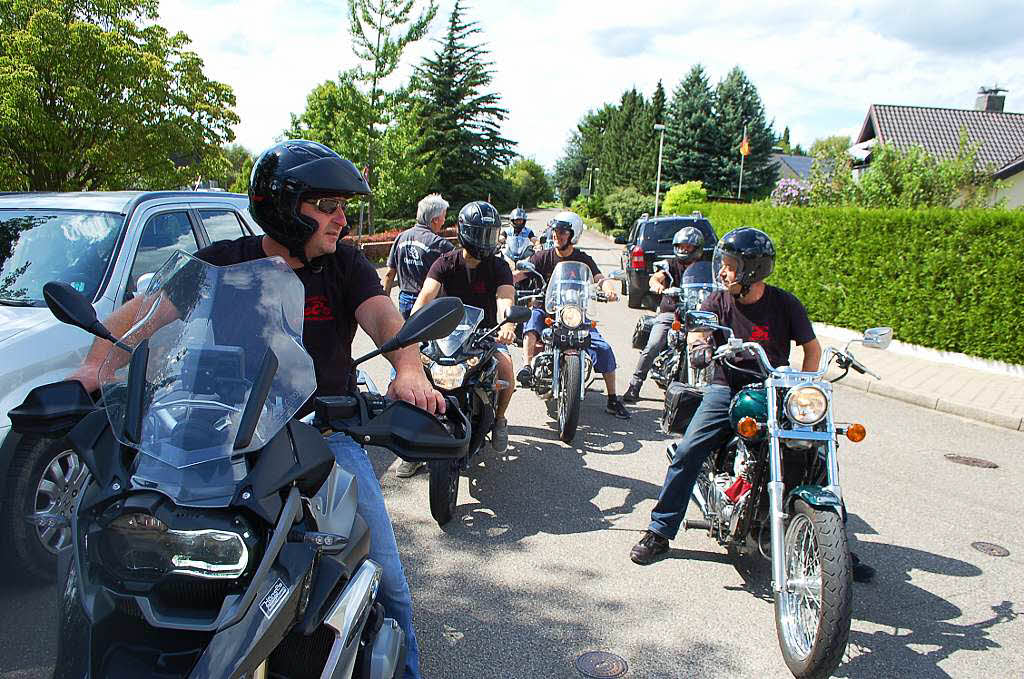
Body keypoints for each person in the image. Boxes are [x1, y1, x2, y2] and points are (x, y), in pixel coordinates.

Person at [69, 140, 437, 679]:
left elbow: (384, 317)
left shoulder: (344, 264)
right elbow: (143, 315)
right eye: (328, 205)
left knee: (386, 579)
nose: (341, 218)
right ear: (287, 207)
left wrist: (409, 369)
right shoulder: (222, 261)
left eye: (342, 206)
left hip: (321, 434)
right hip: (221, 440)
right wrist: (97, 368)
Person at [628, 227, 874, 582]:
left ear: (750, 271)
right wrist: (700, 348)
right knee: (689, 450)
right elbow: (699, 333)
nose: (722, 272)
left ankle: (835, 547)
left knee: (816, 454)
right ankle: (660, 531)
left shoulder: (785, 303)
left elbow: (812, 349)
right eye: (723, 264)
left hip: (776, 388)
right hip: (726, 385)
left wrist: (806, 384)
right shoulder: (717, 302)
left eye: (729, 266)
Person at [408, 200, 517, 472]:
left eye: (490, 234)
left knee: (507, 370)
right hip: (444, 336)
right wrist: (412, 326)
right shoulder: (445, 263)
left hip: (486, 336)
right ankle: (410, 447)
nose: (485, 240)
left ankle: (500, 419)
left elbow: (505, 298)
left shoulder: (499, 266)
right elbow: (425, 296)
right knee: (417, 380)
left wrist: (507, 324)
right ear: (464, 231)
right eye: (481, 233)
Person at [515, 210, 631, 419]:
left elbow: (598, 277)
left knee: (603, 348)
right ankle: (527, 367)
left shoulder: (582, 258)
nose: (556, 235)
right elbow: (522, 273)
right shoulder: (543, 256)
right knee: (532, 319)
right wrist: (507, 280)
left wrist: (608, 287)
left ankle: (613, 399)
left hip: (575, 313)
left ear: (573, 235)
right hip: (547, 309)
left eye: (562, 232)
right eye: (555, 231)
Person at [622, 226, 704, 403]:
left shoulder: (704, 268)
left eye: (688, 247)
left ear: (697, 249)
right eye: (681, 246)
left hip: (696, 316)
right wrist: (657, 284)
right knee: (653, 345)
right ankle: (634, 385)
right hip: (671, 313)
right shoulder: (671, 264)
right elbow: (657, 277)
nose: (684, 249)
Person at [383, 193, 454, 319]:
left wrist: (385, 304)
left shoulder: (401, 237)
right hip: (429, 301)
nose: (444, 220)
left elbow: (389, 274)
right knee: (430, 337)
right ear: (435, 219)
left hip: (404, 300)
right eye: (444, 216)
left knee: (408, 336)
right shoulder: (440, 244)